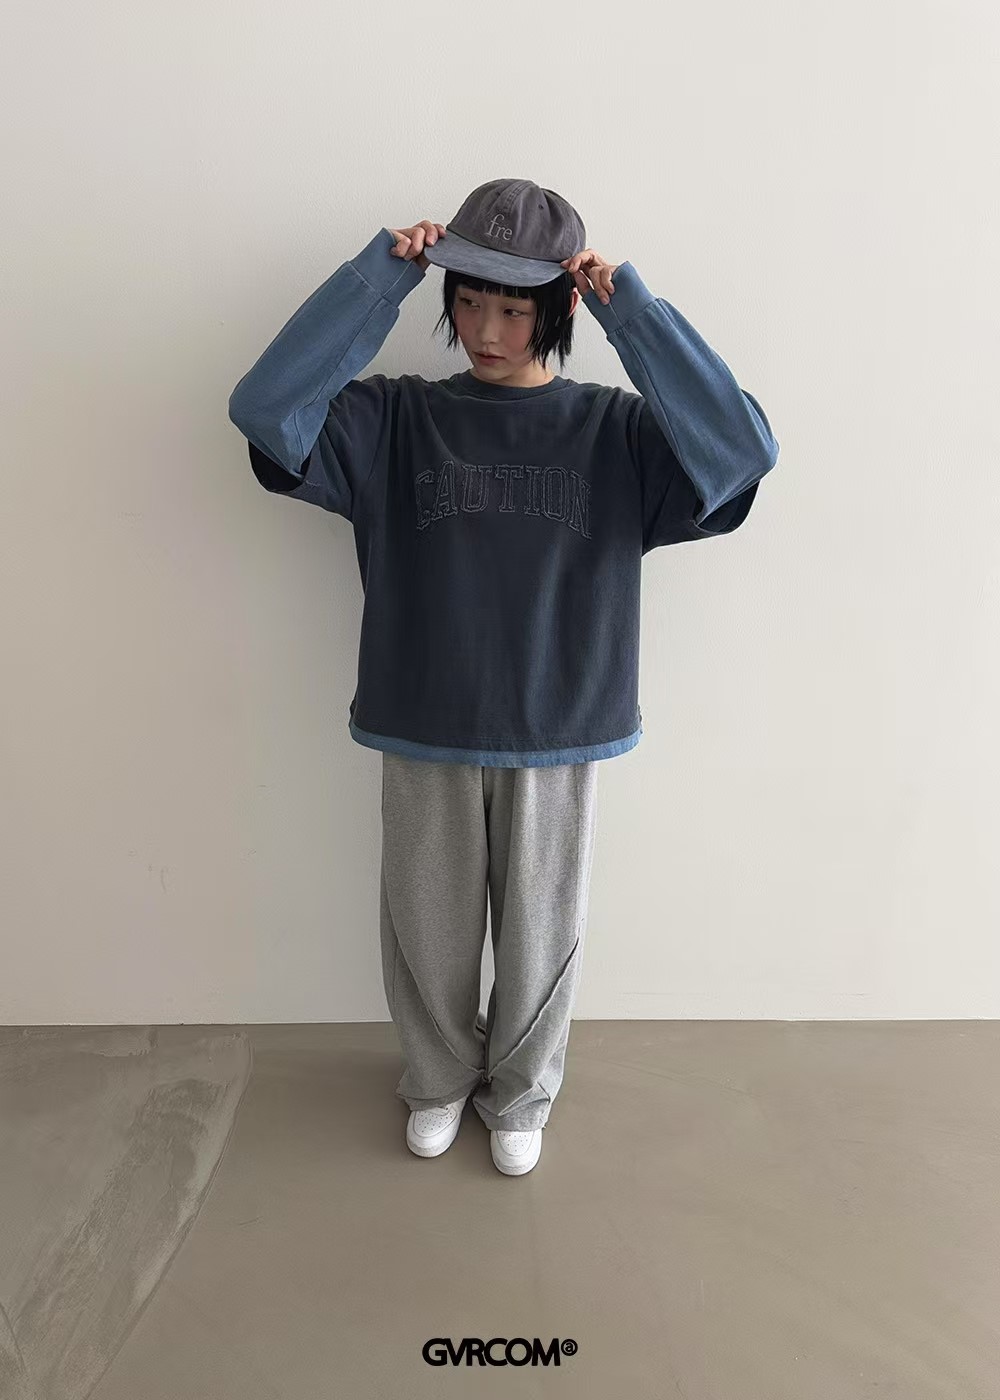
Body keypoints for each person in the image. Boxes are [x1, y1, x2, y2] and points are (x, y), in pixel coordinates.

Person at [228, 178, 780, 1177]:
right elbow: (264, 408)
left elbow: (741, 452)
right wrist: (377, 280)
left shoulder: (617, 433)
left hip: (562, 721)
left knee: (541, 933)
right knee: (425, 928)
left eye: (516, 308)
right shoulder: (394, 420)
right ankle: (437, 1076)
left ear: (558, 311)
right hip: (423, 714)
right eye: (471, 300)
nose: (487, 330)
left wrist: (633, 313)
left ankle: (520, 1091)